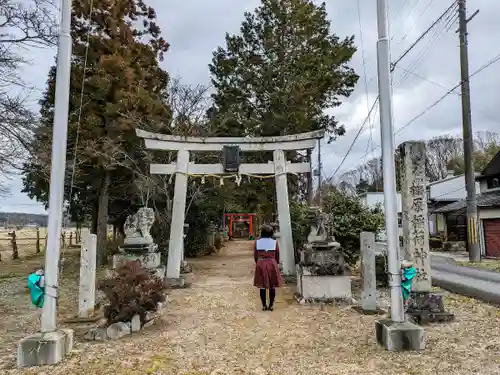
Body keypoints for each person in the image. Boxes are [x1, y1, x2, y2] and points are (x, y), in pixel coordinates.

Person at [253, 224, 284, 311]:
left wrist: (258, 262)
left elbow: (255, 255)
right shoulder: (275, 242)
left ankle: (263, 305)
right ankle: (271, 305)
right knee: (272, 285)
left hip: (261, 263)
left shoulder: (257, 242)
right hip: (272, 263)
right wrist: (276, 263)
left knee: (262, 286)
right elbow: (277, 255)